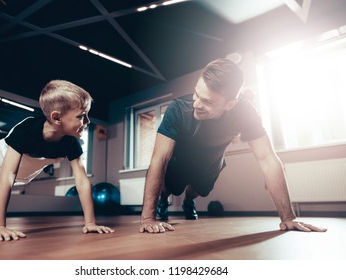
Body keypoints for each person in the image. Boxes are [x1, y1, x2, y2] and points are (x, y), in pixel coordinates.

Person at [139, 58, 327, 234]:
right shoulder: (178, 109)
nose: (196, 104)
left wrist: (288, 217)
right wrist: (148, 218)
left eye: (207, 101)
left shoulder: (244, 112)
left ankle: (188, 202)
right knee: (167, 187)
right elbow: (159, 158)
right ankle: (163, 202)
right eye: (196, 94)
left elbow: (268, 159)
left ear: (230, 104)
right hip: (178, 161)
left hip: (211, 164)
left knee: (196, 191)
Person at [0, 80, 114, 241]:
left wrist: (90, 222)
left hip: (22, 172)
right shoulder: (26, 131)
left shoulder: (70, 143)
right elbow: (7, 176)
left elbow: (82, 182)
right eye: (81, 116)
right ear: (57, 117)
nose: (87, 121)